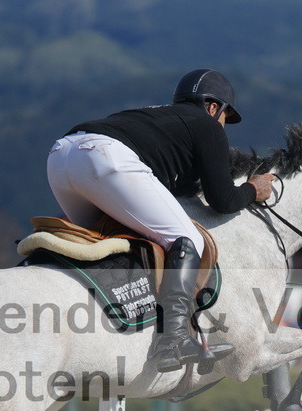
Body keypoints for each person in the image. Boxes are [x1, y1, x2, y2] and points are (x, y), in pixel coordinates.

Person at [47, 69, 276, 372]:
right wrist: (252, 189)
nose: (223, 126)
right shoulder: (207, 126)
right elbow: (223, 201)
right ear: (212, 107)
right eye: (224, 117)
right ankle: (172, 340)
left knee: (101, 240)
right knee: (187, 241)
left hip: (61, 155)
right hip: (105, 158)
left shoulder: (154, 118)